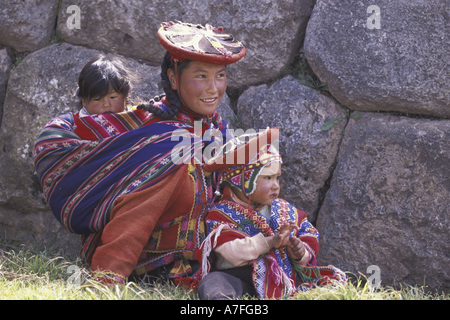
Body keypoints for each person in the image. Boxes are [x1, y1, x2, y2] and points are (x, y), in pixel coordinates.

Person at [33, 21, 246, 284]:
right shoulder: (152, 129)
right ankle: (109, 273)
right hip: (140, 262)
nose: (214, 88)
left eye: (221, 75)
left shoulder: (216, 129)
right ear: (173, 78)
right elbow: (62, 137)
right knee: (173, 161)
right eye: (201, 76)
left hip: (197, 259)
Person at [191, 129, 346, 299]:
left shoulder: (285, 209)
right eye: (267, 178)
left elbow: (308, 234)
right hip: (241, 276)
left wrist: (300, 252)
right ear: (242, 180)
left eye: (277, 177)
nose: (275, 186)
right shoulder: (221, 214)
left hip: (281, 275)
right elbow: (231, 252)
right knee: (213, 282)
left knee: (327, 283)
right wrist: (270, 242)